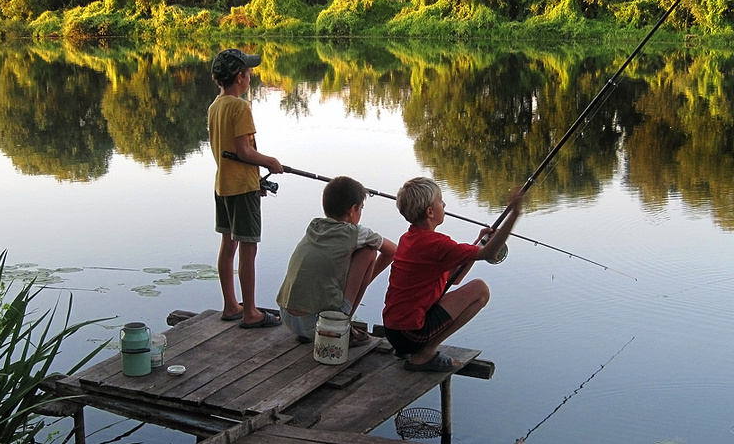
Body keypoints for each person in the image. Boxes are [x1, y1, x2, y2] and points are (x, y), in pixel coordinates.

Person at [382, 177, 524, 372]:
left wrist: (479, 242)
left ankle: (415, 350)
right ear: (430, 212)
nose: (444, 204)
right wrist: (514, 214)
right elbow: (489, 254)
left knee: (470, 288)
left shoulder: (409, 238)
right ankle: (425, 354)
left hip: (394, 331)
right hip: (411, 334)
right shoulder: (436, 244)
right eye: (440, 200)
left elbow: (454, 278)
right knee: (480, 290)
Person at [209, 48, 284, 328]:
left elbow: (228, 151)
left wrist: (257, 179)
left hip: (223, 185)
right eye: (249, 72)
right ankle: (251, 312)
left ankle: (231, 305)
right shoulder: (240, 107)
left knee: (228, 245)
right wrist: (270, 162)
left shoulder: (215, 106)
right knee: (248, 248)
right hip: (241, 189)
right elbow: (243, 151)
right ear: (240, 77)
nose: (251, 75)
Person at [276, 176, 397, 344]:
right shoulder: (355, 232)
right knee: (369, 251)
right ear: (352, 210)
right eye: (361, 208)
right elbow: (393, 252)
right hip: (321, 325)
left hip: (287, 318)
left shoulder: (315, 226)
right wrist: (363, 281)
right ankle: (343, 326)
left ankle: (315, 328)